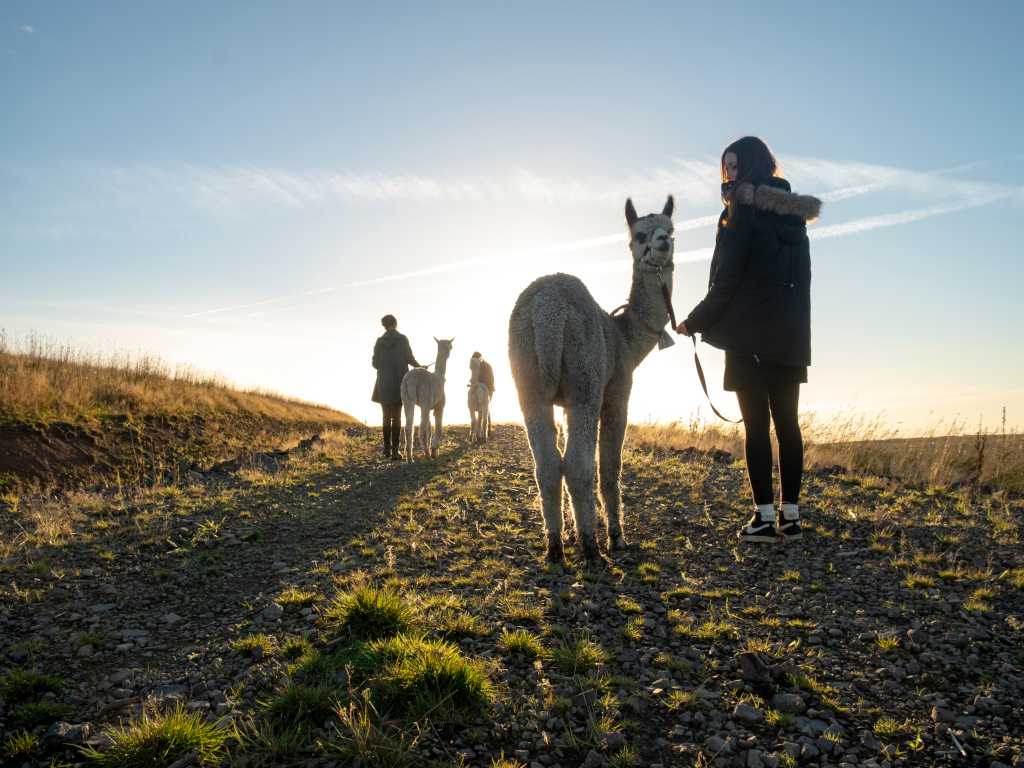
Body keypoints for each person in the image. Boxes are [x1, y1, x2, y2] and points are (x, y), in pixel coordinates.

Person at [675, 136, 821, 543]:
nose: (730, 176)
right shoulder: (794, 219)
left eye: (735, 167)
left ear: (752, 166)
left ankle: (762, 518)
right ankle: (790, 519)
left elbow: (727, 282)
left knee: (756, 428)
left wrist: (693, 321)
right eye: (727, 169)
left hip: (750, 338)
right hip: (789, 338)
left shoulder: (744, 214)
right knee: (788, 425)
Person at [371, 315, 420, 461]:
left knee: (386, 417)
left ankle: (386, 449)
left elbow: (374, 363)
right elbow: (410, 359)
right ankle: (394, 451)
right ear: (395, 324)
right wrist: (420, 367)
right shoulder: (403, 339)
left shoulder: (379, 342)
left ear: (384, 325)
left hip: (383, 382)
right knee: (397, 417)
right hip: (400, 381)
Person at [468, 351, 495, 437]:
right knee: (486, 408)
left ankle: (479, 430)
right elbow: (492, 378)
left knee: (479, 409)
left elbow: (477, 377)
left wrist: (473, 384)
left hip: (485, 389)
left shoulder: (478, 366)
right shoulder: (488, 365)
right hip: (490, 389)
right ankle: (488, 430)